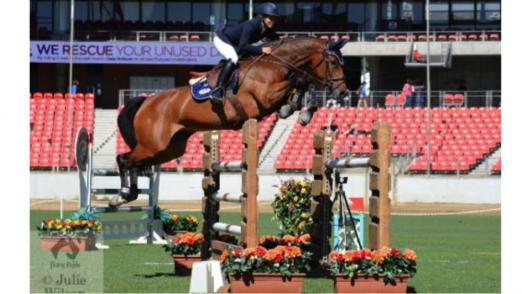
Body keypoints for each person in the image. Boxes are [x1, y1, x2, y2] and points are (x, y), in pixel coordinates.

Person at [210, 2, 280, 104]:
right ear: (262, 17)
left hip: (236, 45)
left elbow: (277, 40)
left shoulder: (269, 29)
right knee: (234, 58)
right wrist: (261, 50)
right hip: (223, 40)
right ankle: (217, 90)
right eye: (270, 18)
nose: (273, 21)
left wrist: (291, 40)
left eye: (274, 19)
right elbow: (243, 46)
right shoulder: (251, 24)